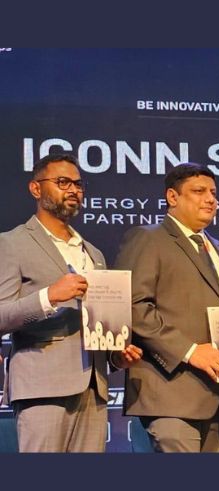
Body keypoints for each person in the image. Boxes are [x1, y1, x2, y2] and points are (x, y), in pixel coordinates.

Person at [115, 162, 219, 452]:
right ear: (172, 197)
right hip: (169, 394)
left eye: (213, 192)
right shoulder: (149, 238)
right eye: (199, 191)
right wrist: (190, 350)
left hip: (218, 395)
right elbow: (134, 306)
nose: (210, 199)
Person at [0, 153, 141, 452]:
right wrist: (48, 296)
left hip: (93, 388)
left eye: (78, 184)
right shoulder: (11, 243)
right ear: (35, 189)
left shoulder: (93, 253)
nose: (73, 190)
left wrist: (116, 356)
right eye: (63, 182)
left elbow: (96, 322)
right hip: (42, 386)